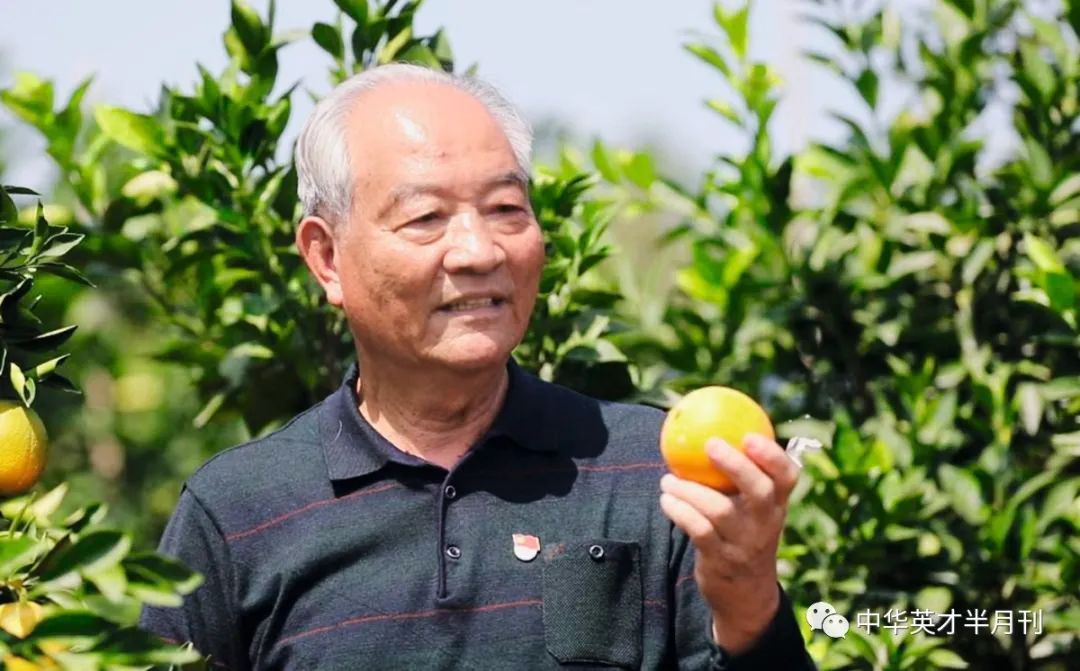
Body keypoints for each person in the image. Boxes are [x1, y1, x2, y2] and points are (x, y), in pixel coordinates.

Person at [140, 63, 816, 670]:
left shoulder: (655, 476)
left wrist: (749, 600)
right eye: (427, 216)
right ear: (325, 257)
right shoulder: (237, 511)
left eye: (505, 209)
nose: (478, 249)